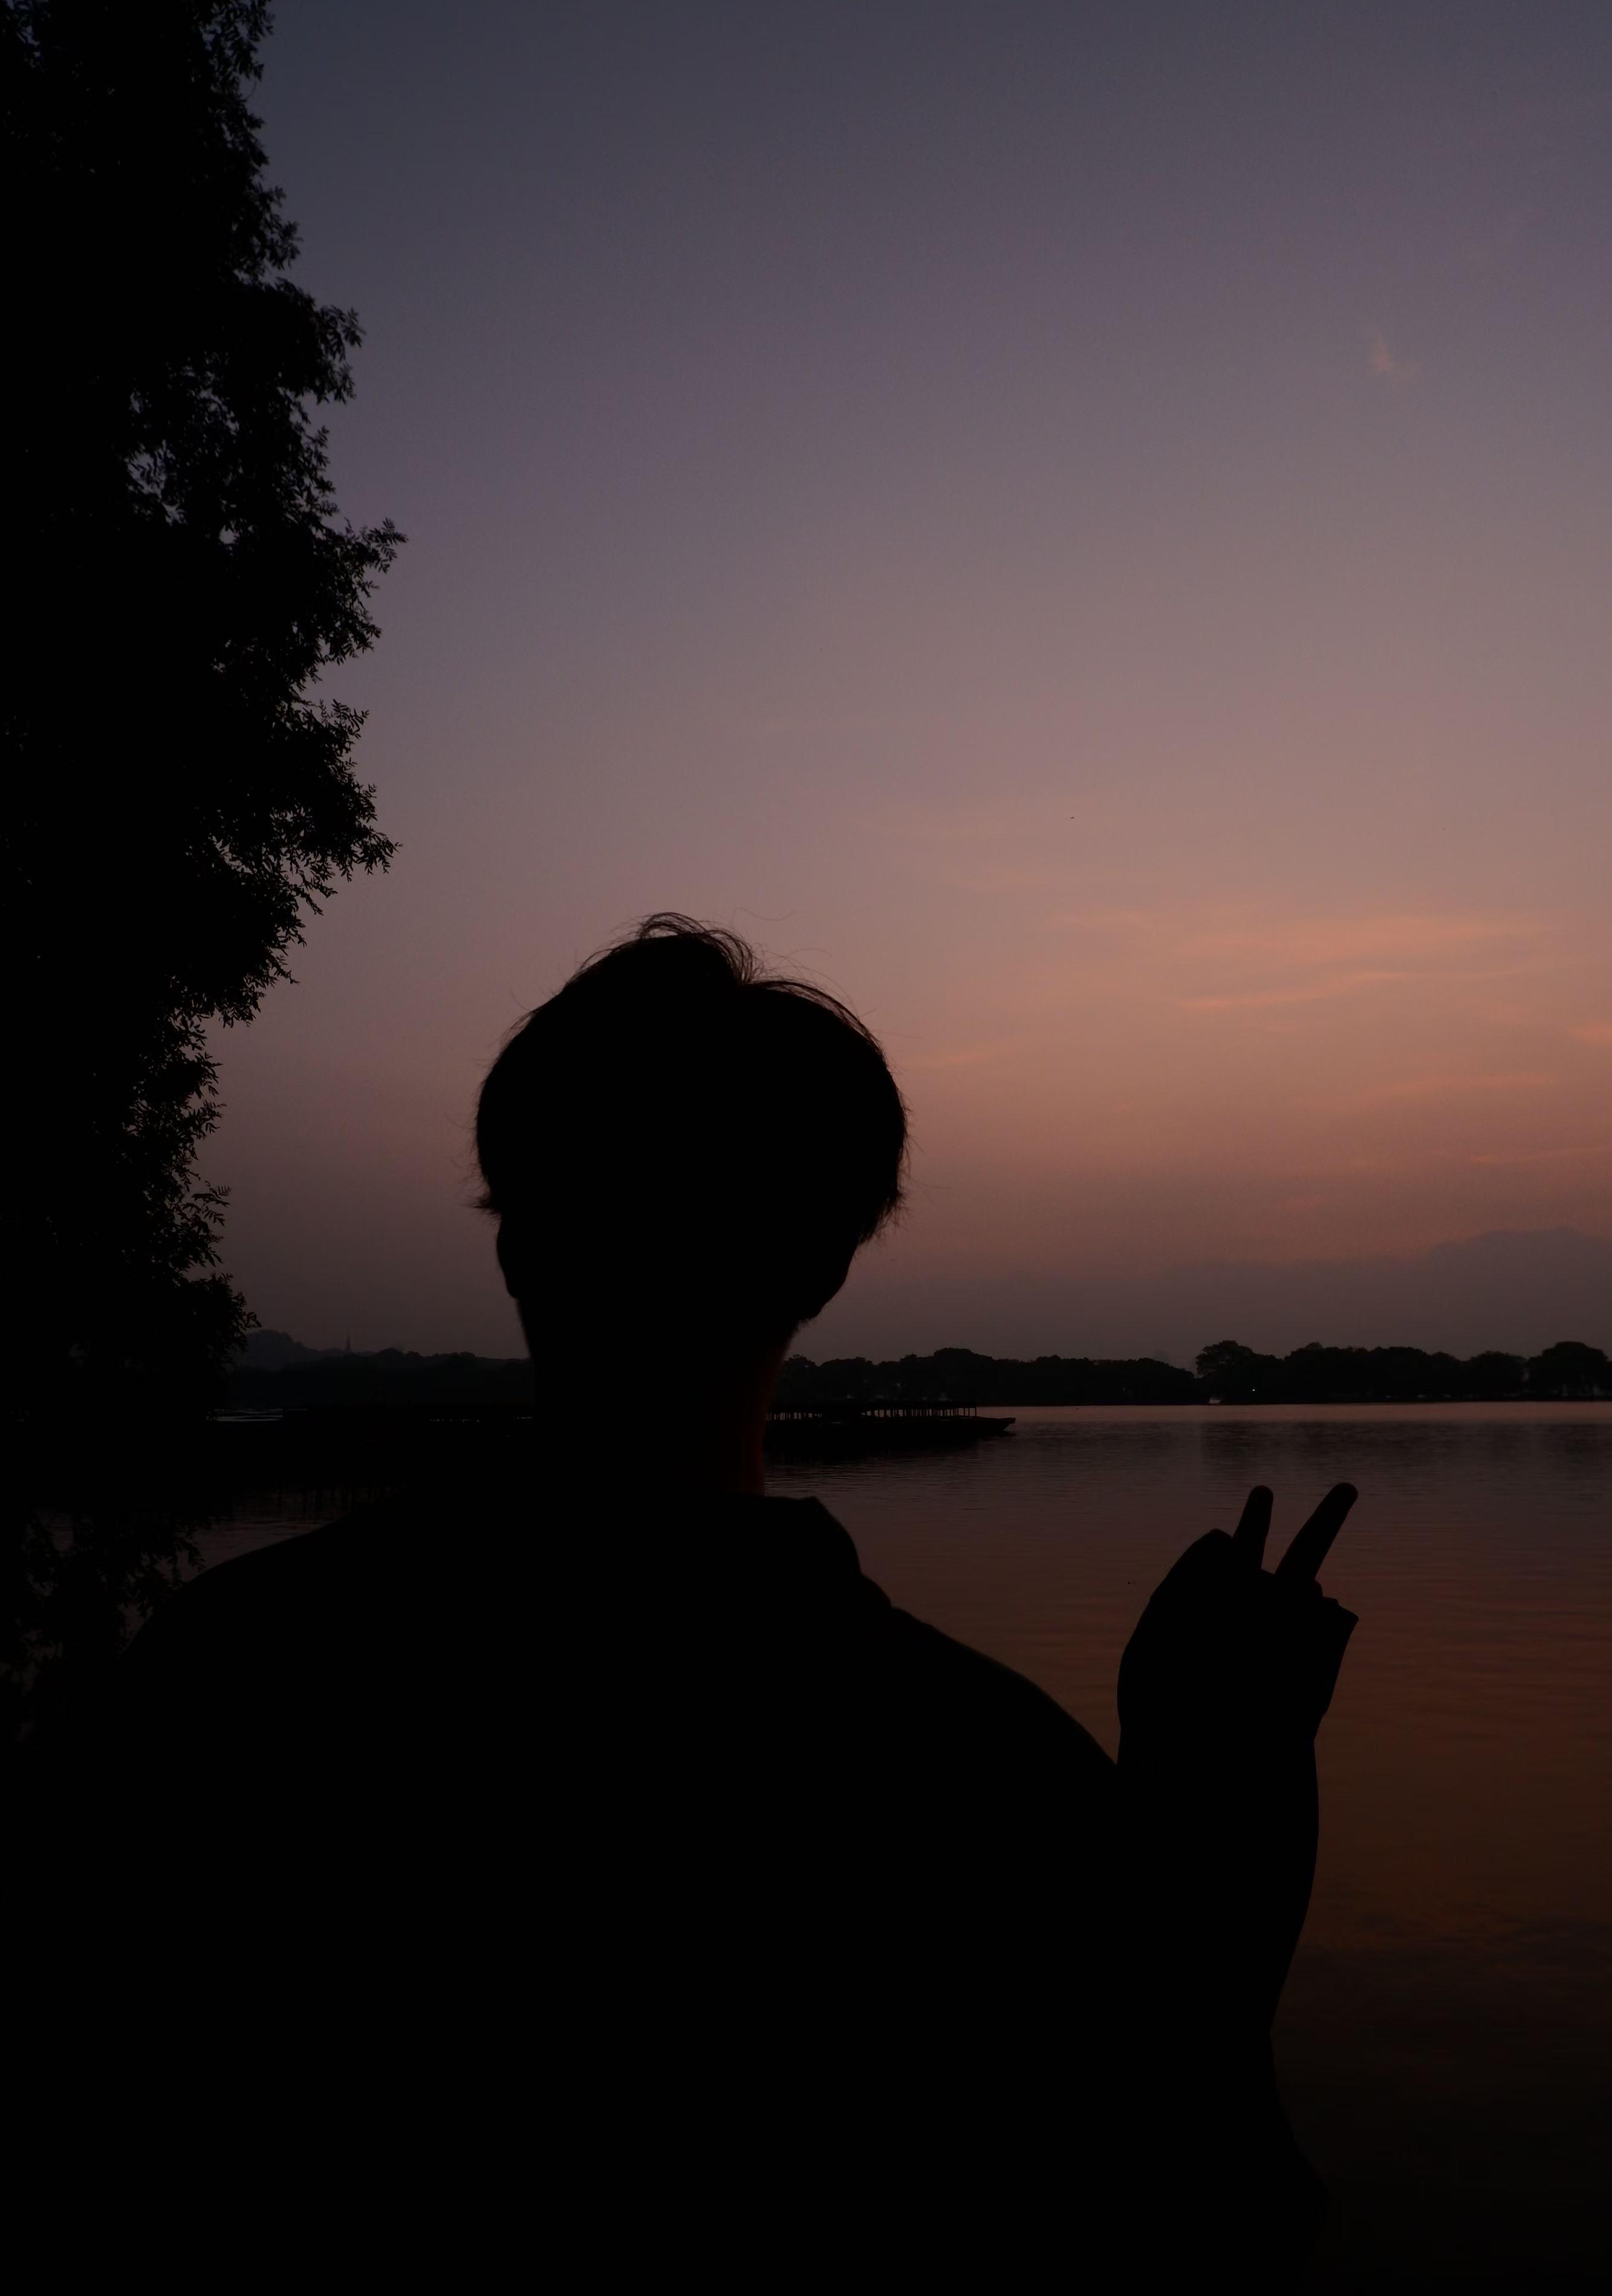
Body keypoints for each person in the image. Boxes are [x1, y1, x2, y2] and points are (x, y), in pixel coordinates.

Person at [22, 915, 1357, 2284]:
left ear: (518, 1243)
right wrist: (1222, 1810)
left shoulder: (231, 1671)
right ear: (826, 1268)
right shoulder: (974, 1768)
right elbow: (1199, 2206)